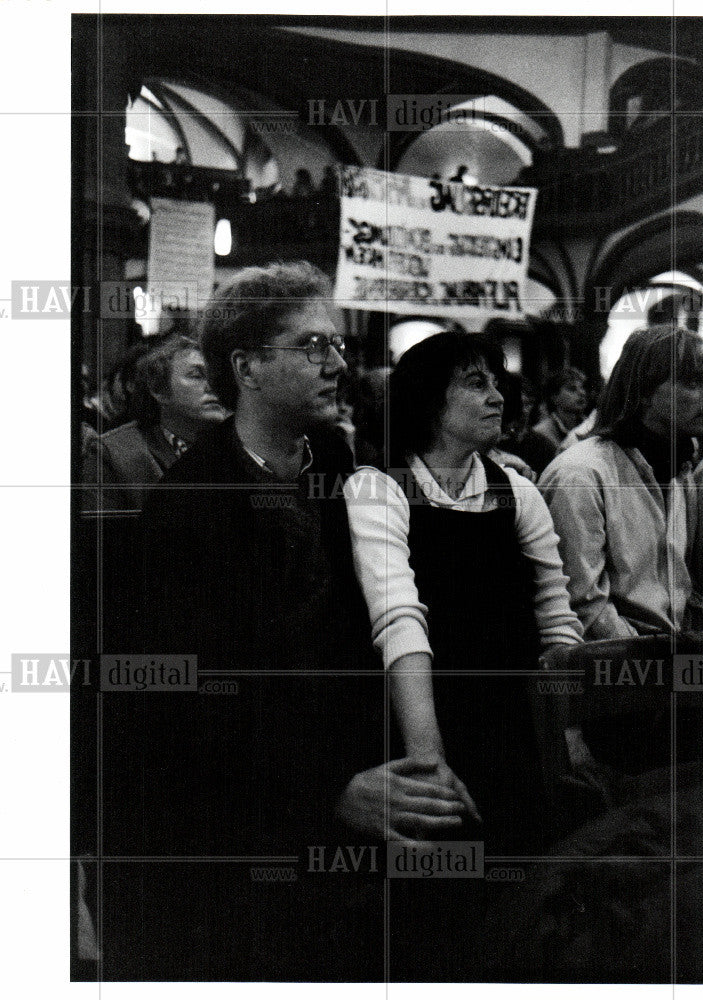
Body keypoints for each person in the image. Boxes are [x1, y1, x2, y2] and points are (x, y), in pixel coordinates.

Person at [100, 263, 466, 980]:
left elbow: (366, 620)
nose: (336, 363)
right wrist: (331, 788)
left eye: (336, 344)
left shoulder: (332, 458)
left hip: (356, 774)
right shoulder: (187, 508)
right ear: (248, 366)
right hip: (250, 828)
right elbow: (188, 707)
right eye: (311, 347)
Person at [344, 331, 583, 853]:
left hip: (516, 724)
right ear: (430, 401)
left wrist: (568, 738)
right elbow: (398, 618)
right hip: (421, 716)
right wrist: (428, 761)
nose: (498, 397)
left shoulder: (518, 491)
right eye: (477, 384)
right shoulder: (376, 487)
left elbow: (557, 620)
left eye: (496, 384)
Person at [539, 324, 703, 641]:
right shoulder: (581, 474)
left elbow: (683, 588)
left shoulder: (680, 468)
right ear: (644, 391)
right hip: (616, 670)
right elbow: (584, 607)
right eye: (692, 382)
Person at [82, 333, 226, 511]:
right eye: (197, 375)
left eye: (217, 376)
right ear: (158, 389)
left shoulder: (242, 445)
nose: (213, 386)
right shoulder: (112, 454)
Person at [533, 366, 589, 450]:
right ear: (554, 397)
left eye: (582, 388)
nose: (582, 393)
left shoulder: (590, 426)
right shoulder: (541, 434)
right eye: (572, 389)